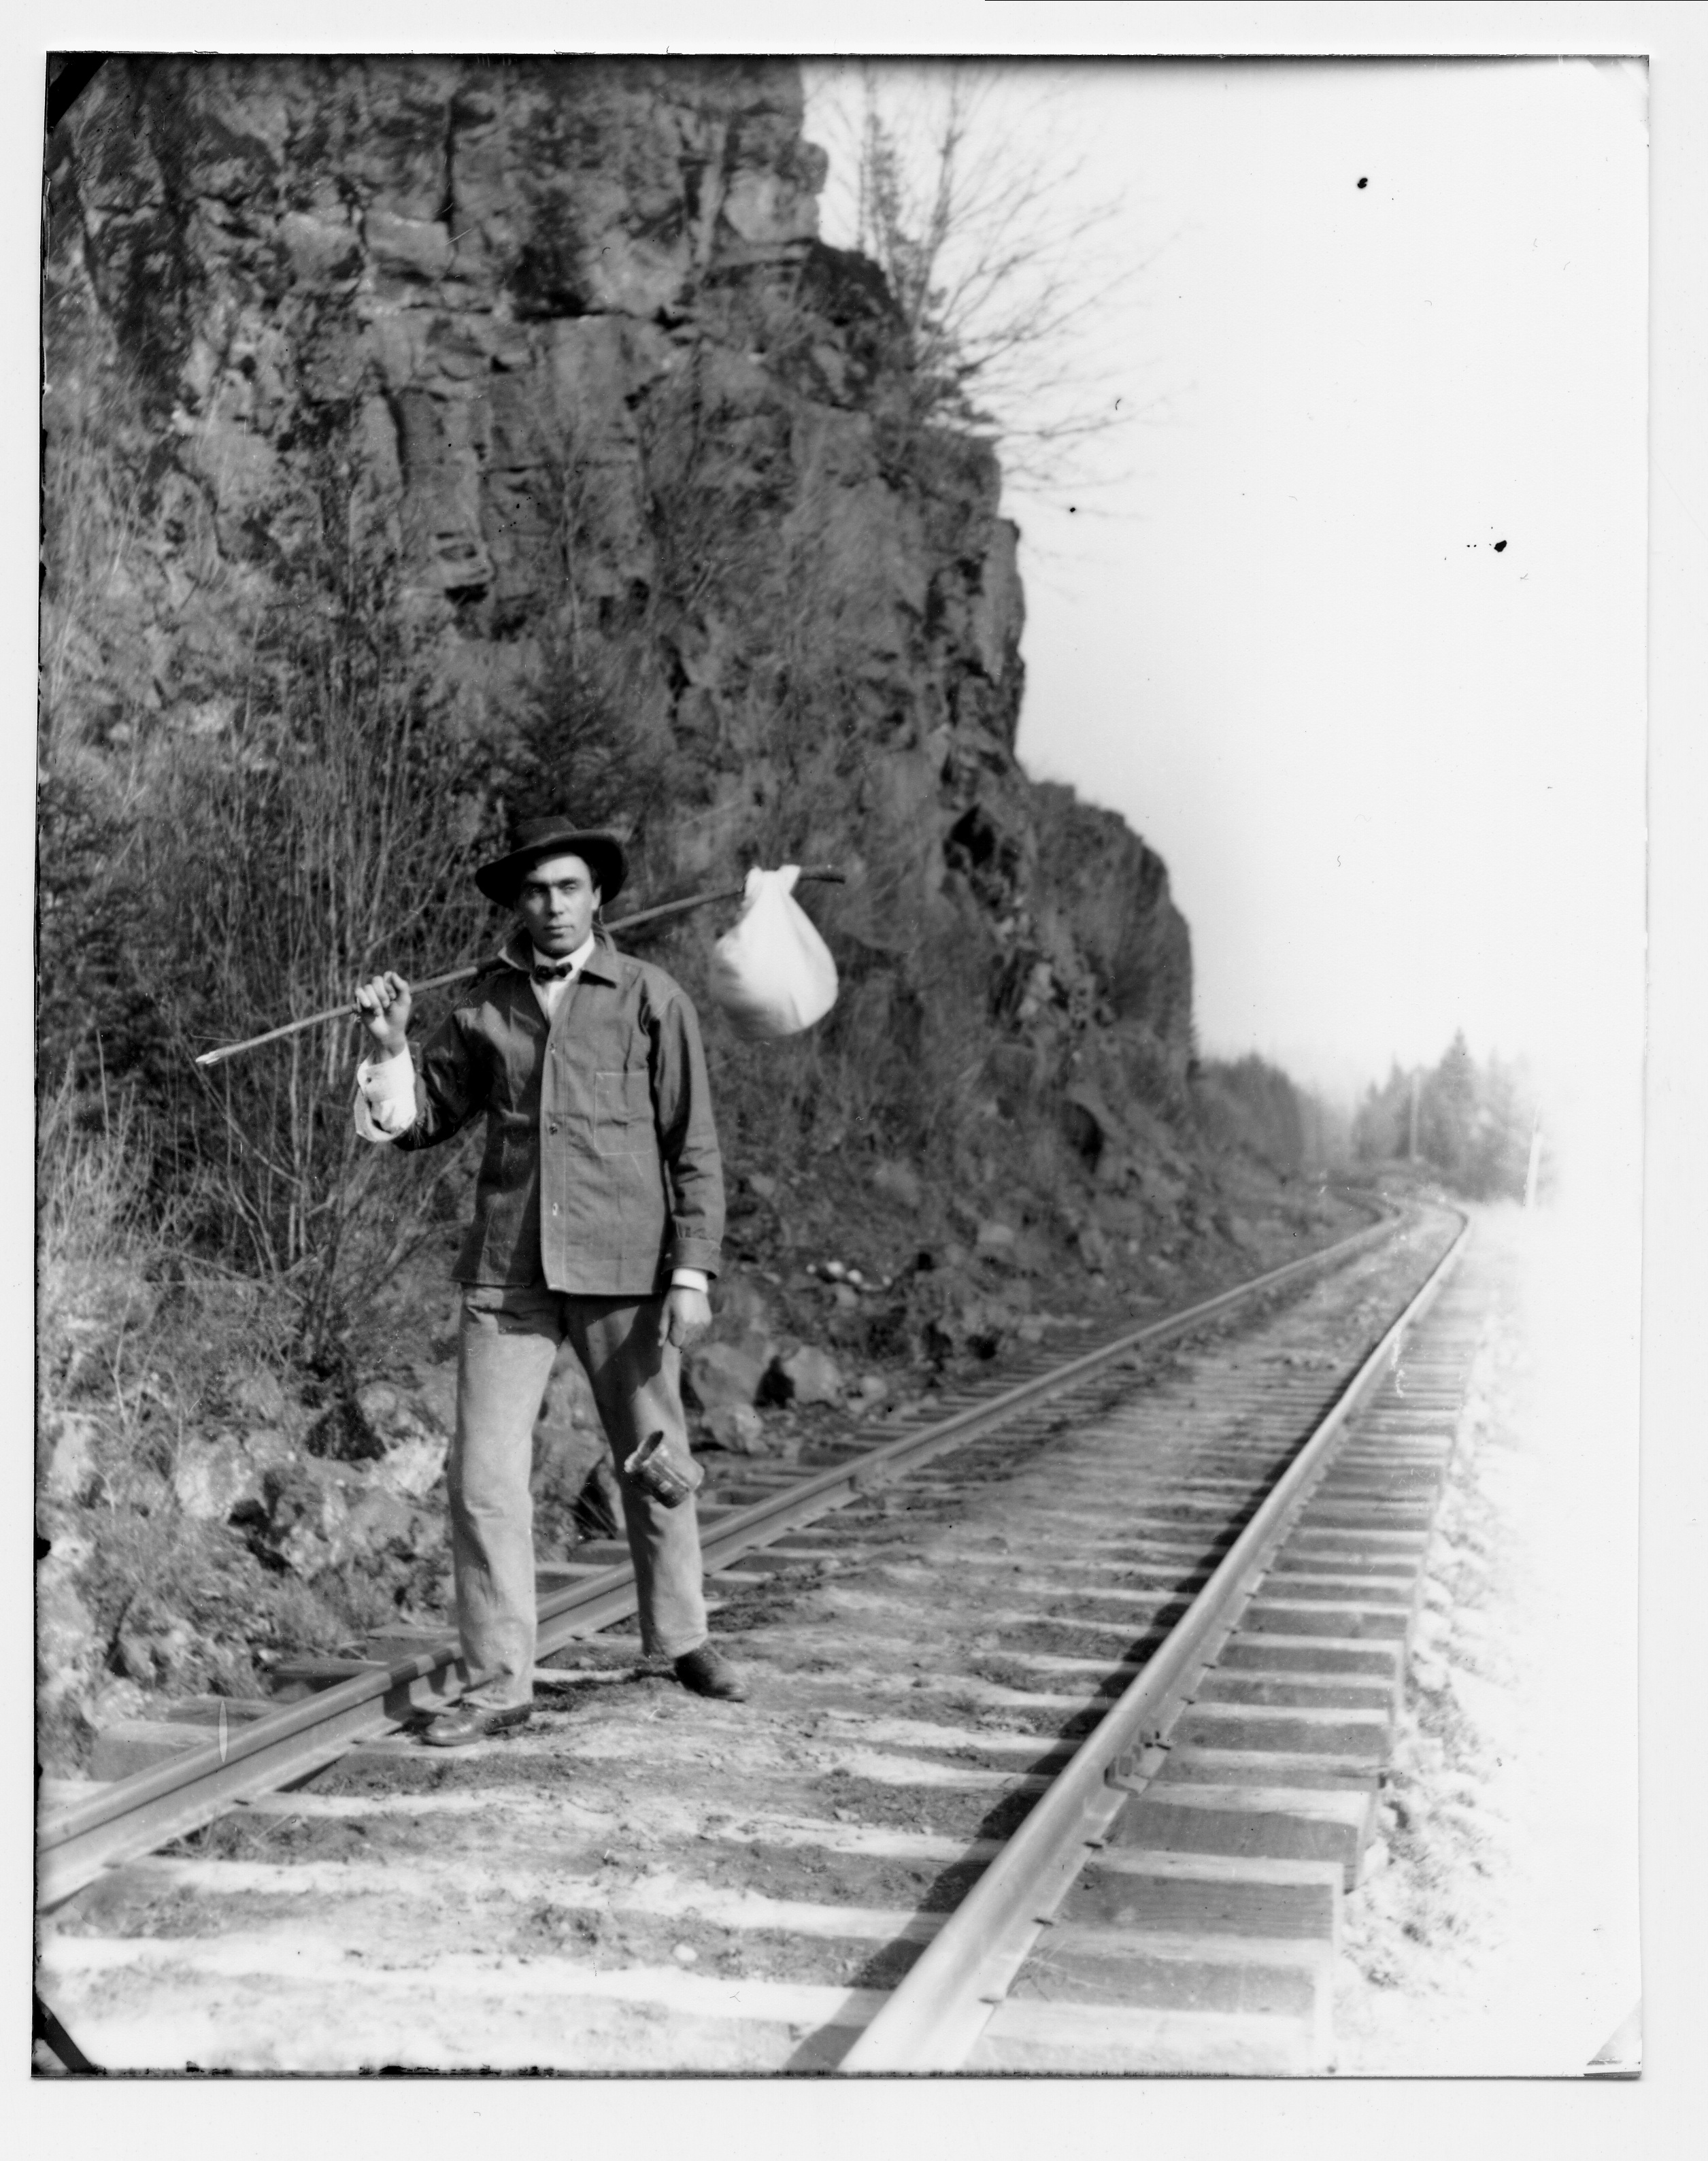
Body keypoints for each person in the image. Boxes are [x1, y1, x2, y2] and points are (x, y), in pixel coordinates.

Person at [350, 814, 746, 1745]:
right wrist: (390, 1045)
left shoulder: (652, 998)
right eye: (536, 891)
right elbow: (419, 1123)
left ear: (597, 897)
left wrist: (692, 1274)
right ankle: (499, 1682)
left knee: (656, 1464)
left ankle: (683, 1636)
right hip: (508, 1275)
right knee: (484, 1479)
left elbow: (693, 1146)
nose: (554, 906)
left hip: (626, 1272)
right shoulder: (483, 1007)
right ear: (517, 905)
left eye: (569, 887)